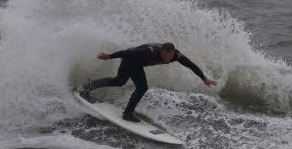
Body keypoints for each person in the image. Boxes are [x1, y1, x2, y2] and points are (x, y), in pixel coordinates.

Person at [81, 42, 217, 122]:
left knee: (118, 81)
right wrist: (110, 56)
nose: (167, 59)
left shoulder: (177, 55)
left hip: (137, 63)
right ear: (161, 51)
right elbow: (129, 53)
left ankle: (87, 87)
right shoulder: (149, 52)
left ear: (173, 53)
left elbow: (191, 65)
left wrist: (204, 79)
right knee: (141, 87)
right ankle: (127, 114)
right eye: (164, 56)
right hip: (131, 59)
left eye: (170, 56)